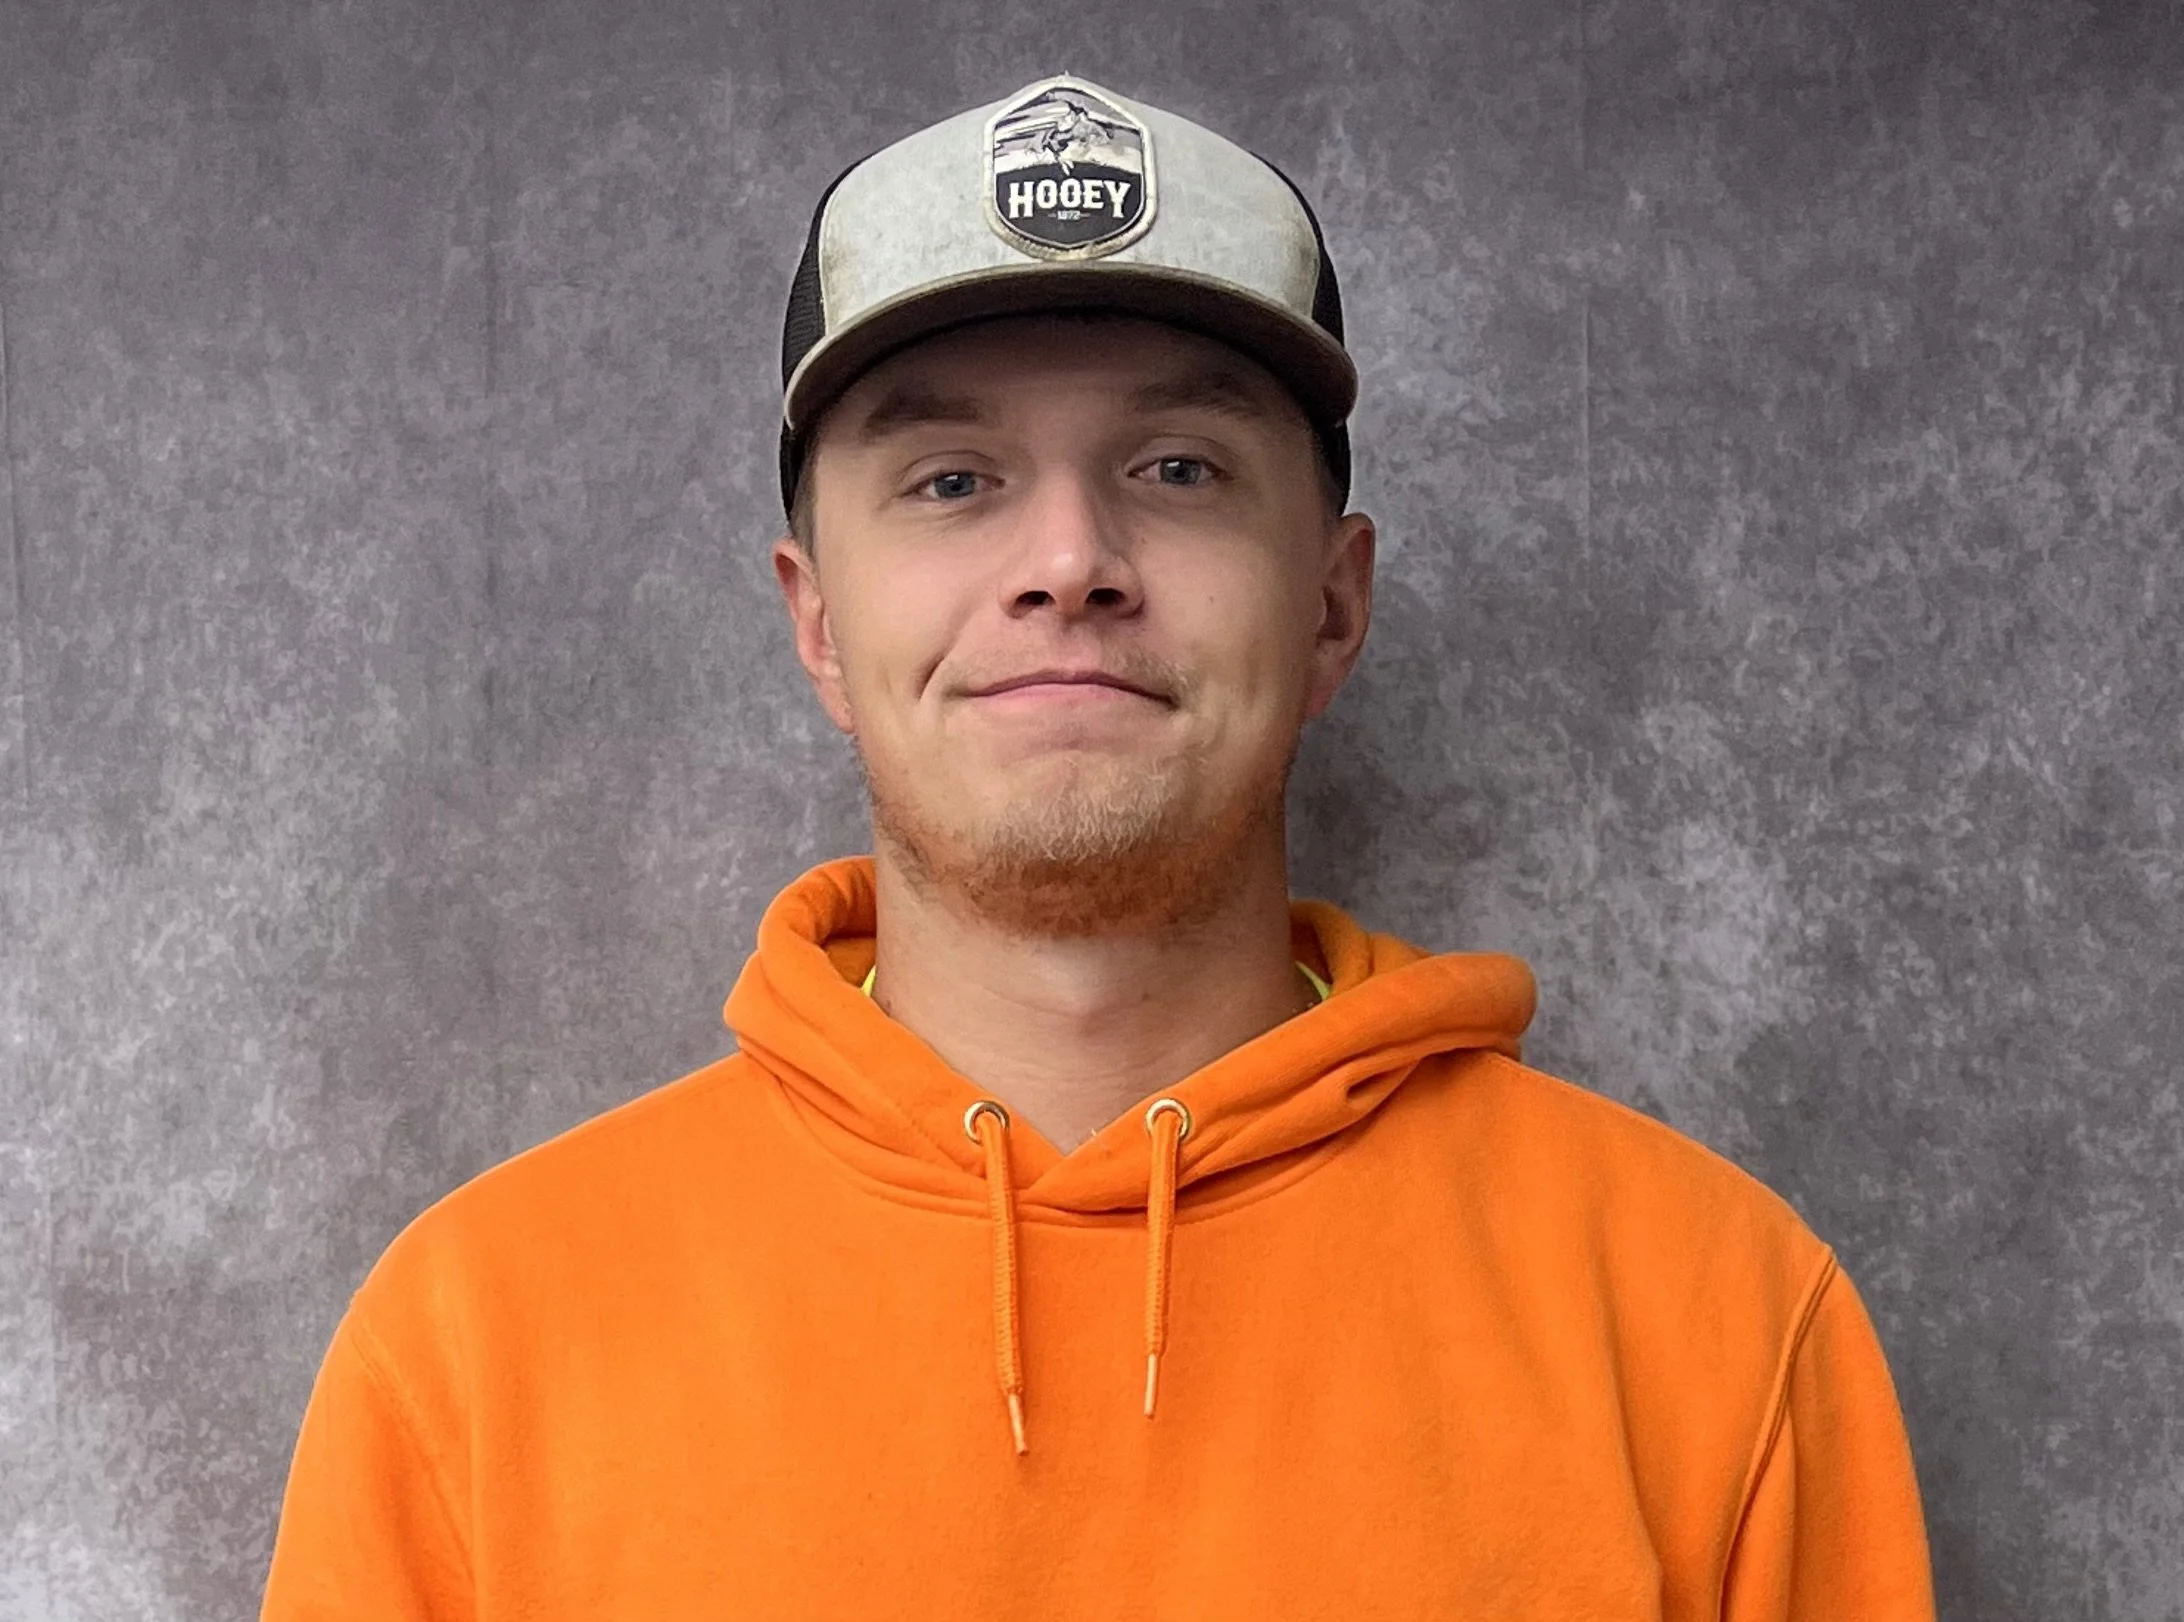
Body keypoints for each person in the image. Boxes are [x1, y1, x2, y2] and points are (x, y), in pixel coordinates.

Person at [261, 74, 1936, 1619]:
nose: (1071, 557)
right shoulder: (473, 1355)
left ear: (1334, 600)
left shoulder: (1717, 1323)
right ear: (818, 622)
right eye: (950, 479)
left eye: (1178, 465)